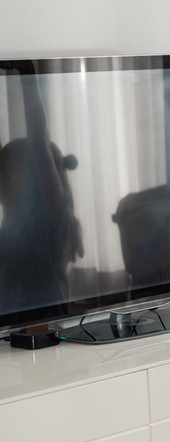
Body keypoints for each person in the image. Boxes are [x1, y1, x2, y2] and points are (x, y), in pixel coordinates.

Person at [0, 66, 83, 318]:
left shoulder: (52, 219)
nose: (2, 176)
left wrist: (27, 73)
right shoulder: (11, 223)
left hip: (47, 336)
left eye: (9, 168)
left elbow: (39, 144)